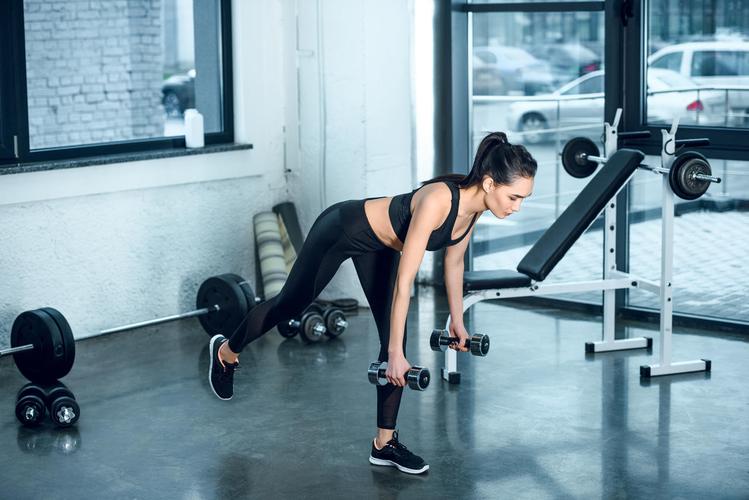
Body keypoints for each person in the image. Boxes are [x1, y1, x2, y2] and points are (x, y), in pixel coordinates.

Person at [207, 131, 537, 474]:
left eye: (523, 199)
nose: (517, 207)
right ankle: (227, 352)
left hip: (380, 247)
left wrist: (458, 320)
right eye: (514, 197)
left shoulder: (474, 211)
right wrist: (394, 355)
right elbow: (405, 282)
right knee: (291, 304)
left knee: (396, 340)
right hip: (341, 229)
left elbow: (453, 264)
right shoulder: (439, 201)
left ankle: (384, 443)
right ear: (488, 183)